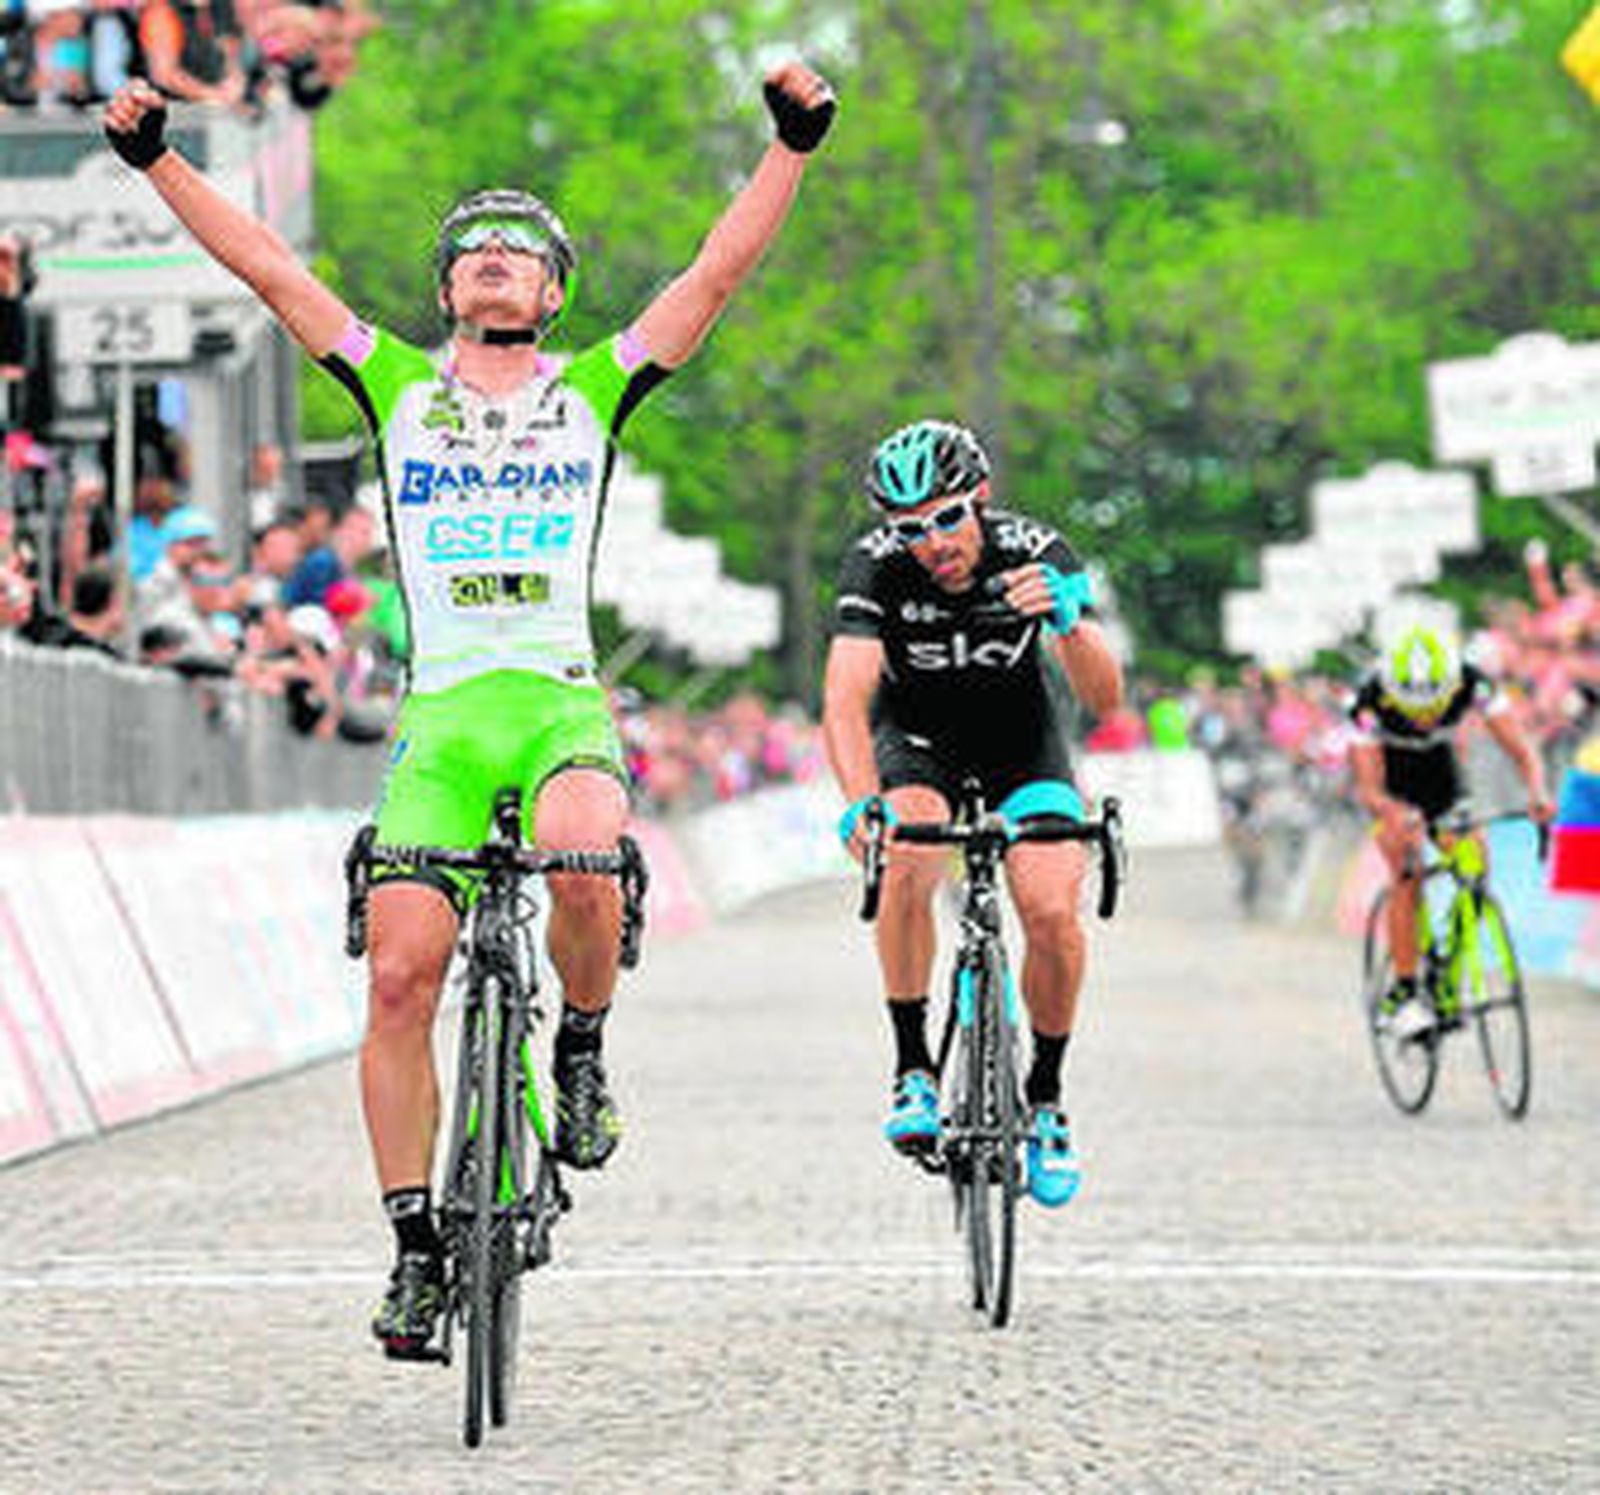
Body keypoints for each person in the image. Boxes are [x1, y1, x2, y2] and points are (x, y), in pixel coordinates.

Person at [103, 60, 836, 1354]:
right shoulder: (395, 387)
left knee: (591, 864)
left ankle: (585, 1050)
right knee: (398, 977)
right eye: (475, 252)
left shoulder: (596, 389)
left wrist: (789, 145)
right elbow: (272, 269)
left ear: (552, 293)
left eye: (523, 254)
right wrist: (161, 159)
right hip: (441, 718)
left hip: (555, 702)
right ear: (448, 289)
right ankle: (414, 1249)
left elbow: (714, 275)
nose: (497, 262)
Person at [821, 419, 1123, 1209]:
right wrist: (859, 803)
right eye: (912, 527)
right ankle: (913, 1066)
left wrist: (1067, 619)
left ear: (980, 499)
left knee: (1053, 911)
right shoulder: (876, 567)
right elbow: (846, 701)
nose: (934, 541)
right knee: (908, 860)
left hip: (1024, 744)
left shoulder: (1035, 549)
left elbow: (1105, 698)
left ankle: (1047, 1098)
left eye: (950, 517)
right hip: (916, 742)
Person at [1349, 625, 1554, 1037]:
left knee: (1476, 864)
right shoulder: (1369, 701)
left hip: (1443, 782)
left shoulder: (1472, 684)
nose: (1425, 718)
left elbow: (1521, 750)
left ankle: (1445, 969)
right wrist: (1394, 812)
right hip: (1393, 787)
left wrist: (1537, 791)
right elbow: (1369, 790)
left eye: (1434, 708)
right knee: (1405, 869)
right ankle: (1404, 992)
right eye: (1414, 711)